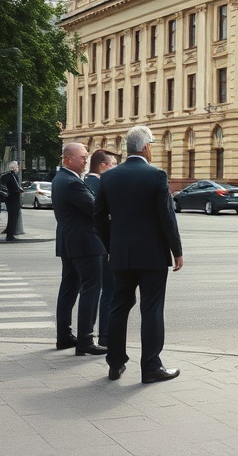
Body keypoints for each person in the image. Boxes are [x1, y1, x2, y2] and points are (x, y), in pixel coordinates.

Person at [95, 126, 184, 384]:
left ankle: (115, 362)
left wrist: (110, 246)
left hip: (120, 255)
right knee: (152, 308)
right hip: (152, 256)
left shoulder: (109, 177)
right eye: (152, 145)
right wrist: (176, 251)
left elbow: (97, 216)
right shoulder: (156, 175)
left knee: (118, 307)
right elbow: (167, 217)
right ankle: (151, 367)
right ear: (145, 147)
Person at [52, 142, 107, 355]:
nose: (86, 160)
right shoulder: (71, 182)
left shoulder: (61, 179)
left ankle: (64, 336)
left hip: (69, 241)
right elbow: (94, 208)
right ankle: (85, 339)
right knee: (91, 289)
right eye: (83, 157)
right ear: (68, 159)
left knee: (68, 289)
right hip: (85, 242)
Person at [84, 149, 118, 348]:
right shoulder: (99, 184)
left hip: (93, 244)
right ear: (103, 165)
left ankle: (90, 334)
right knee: (109, 291)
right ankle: (104, 335)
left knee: (95, 291)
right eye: (112, 164)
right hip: (102, 245)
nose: (114, 168)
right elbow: (104, 216)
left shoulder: (85, 182)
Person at [0, 161, 24, 241]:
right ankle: (10, 235)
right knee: (13, 217)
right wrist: (20, 190)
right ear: (13, 168)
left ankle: (9, 233)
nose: (18, 168)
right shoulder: (13, 176)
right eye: (17, 166)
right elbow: (16, 188)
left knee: (11, 217)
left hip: (8, 199)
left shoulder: (6, 176)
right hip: (14, 199)